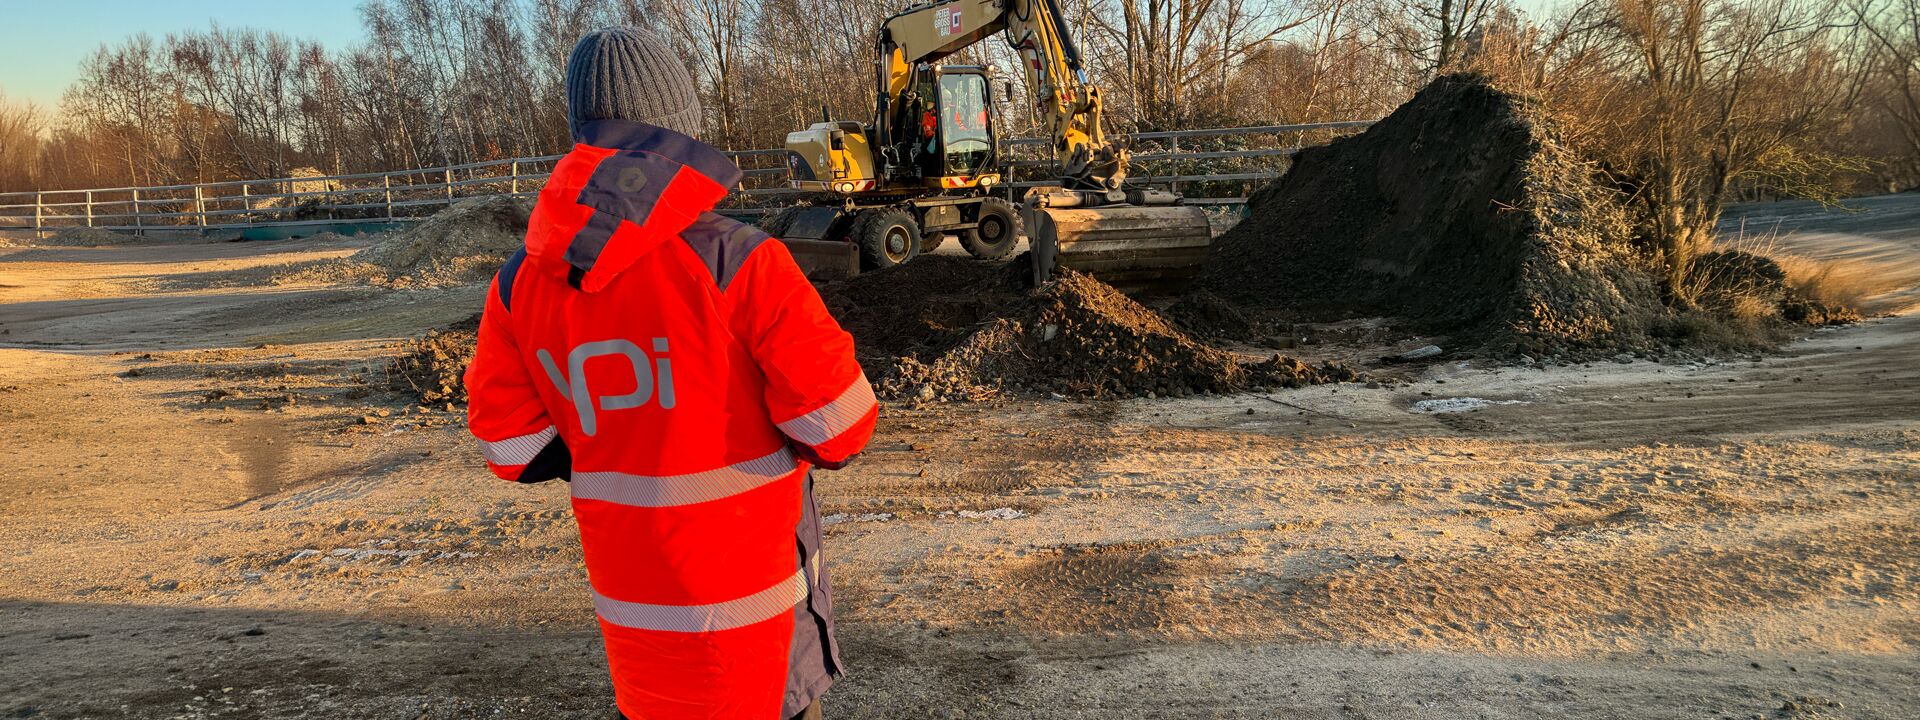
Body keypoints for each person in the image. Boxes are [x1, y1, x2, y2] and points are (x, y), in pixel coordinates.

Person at [464, 27, 876, 720]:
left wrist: (614, 440)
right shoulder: (742, 261)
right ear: (682, 133)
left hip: (641, 654)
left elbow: (510, 448)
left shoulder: (519, 285)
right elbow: (840, 428)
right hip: (761, 648)